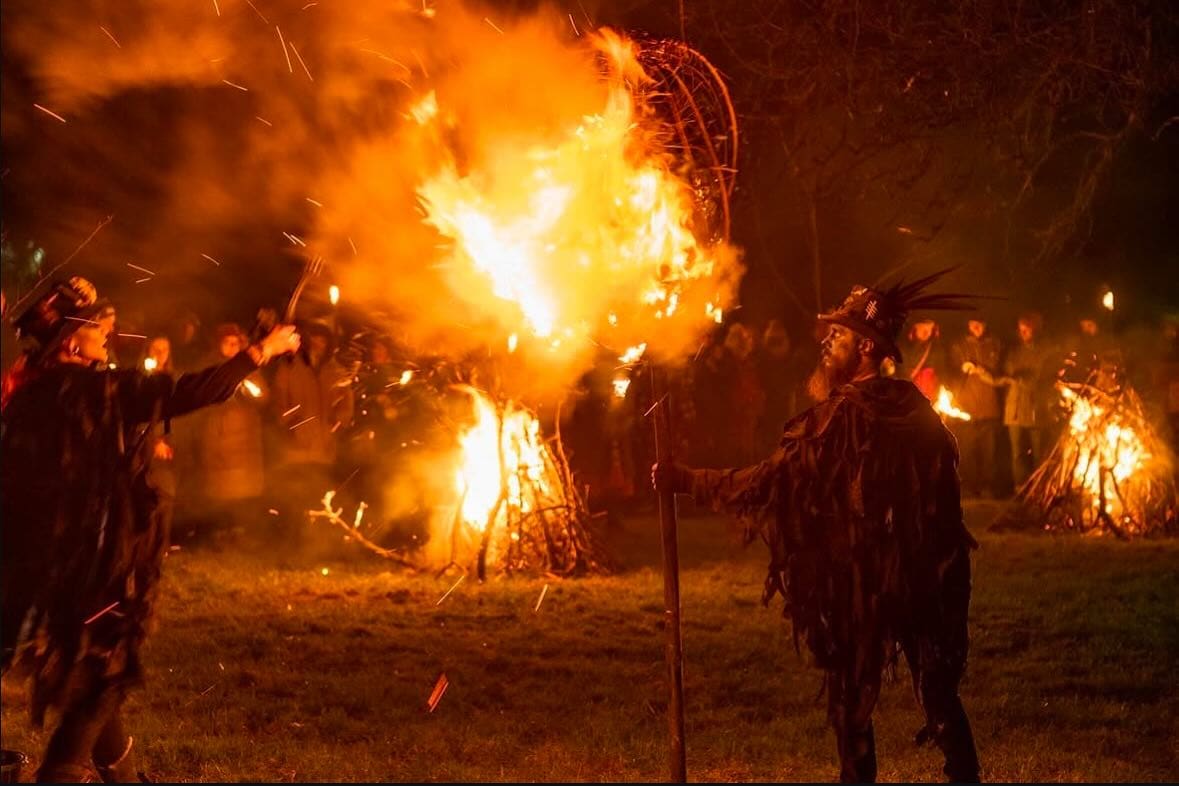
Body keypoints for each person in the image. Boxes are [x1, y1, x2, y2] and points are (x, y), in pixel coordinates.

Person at [653, 273, 980, 783]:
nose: (827, 341)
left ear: (867, 348)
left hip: (879, 576)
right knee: (933, 691)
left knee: (858, 697)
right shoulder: (916, 408)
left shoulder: (846, 416)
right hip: (920, 573)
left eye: (841, 335)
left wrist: (688, 480)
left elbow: (772, 479)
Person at [1, 277, 299, 782]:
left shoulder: (28, 393)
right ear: (72, 341)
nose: (107, 333)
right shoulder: (98, 391)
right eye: (97, 327)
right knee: (101, 682)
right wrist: (260, 352)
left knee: (101, 679)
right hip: (94, 567)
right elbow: (193, 391)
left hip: (46, 567)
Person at [193, 324, 269, 544]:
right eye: (227, 343)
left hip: (244, 437)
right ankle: (217, 531)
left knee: (241, 489)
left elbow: (263, 397)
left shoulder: (250, 367)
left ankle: (238, 529)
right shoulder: (209, 366)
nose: (232, 347)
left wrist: (250, 390)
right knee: (219, 489)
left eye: (236, 343)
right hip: (218, 434)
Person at [951, 319, 1002, 498]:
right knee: (968, 449)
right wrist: (962, 367)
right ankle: (970, 487)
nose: (976, 327)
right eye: (973, 324)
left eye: (980, 323)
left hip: (989, 406)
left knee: (990, 451)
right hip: (967, 407)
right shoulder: (959, 345)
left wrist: (986, 371)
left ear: (985, 325)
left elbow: (1002, 370)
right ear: (968, 325)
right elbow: (952, 369)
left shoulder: (996, 344)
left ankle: (988, 487)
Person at [999, 313, 1050, 487]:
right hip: (1014, 408)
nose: (1024, 333)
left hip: (1035, 408)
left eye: (1027, 330)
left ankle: (1039, 487)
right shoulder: (1013, 352)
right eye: (1021, 330)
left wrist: (1026, 379)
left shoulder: (1043, 352)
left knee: (1038, 452)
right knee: (1017, 452)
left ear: (1034, 330)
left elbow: (1042, 377)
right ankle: (1019, 487)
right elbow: (1007, 373)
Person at [899, 318, 946, 401]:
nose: (927, 333)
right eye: (924, 329)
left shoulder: (931, 350)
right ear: (915, 326)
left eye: (930, 330)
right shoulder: (899, 344)